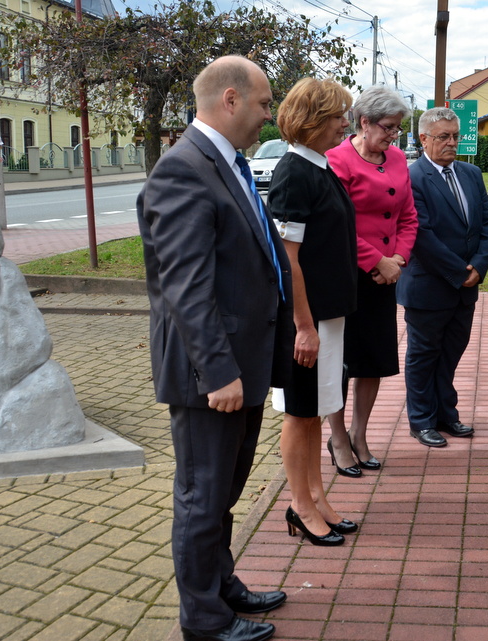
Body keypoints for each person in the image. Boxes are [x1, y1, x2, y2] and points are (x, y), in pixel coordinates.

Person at [137, 56, 293, 641]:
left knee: (224, 490)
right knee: (203, 498)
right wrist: (220, 371)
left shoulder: (225, 163)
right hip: (214, 374)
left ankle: (222, 586)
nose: (268, 116)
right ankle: (203, 619)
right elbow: (186, 286)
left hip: (239, 367)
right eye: (263, 103)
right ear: (230, 99)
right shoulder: (183, 169)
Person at [267, 78, 359, 545]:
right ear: (312, 120)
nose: (346, 122)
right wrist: (303, 327)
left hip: (327, 317)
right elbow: (288, 259)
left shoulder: (319, 167)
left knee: (317, 412)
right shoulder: (293, 172)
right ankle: (300, 506)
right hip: (309, 321)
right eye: (338, 115)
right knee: (300, 414)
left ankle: (318, 496)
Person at [325, 86, 418, 476]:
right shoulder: (337, 160)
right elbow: (336, 225)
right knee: (341, 364)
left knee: (373, 362)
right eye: (388, 127)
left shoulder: (397, 159)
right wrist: (377, 260)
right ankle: (338, 438)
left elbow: (409, 218)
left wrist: (397, 259)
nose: (394, 135)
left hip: (385, 278)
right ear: (364, 122)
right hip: (348, 276)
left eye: (397, 128)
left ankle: (360, 434)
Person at [396, 107, 488, 448]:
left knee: (451, 352)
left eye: (455, 136)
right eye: (443, 137)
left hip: (465, 288)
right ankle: (421, 421)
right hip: (428, 286)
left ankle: (445, 415)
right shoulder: (412, 178)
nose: (452, 143)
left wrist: (478, 268)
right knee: (424, 355)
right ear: (423, 139)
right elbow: (421, 234)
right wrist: (459, 272)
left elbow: (487, 224)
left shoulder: (471, 173)